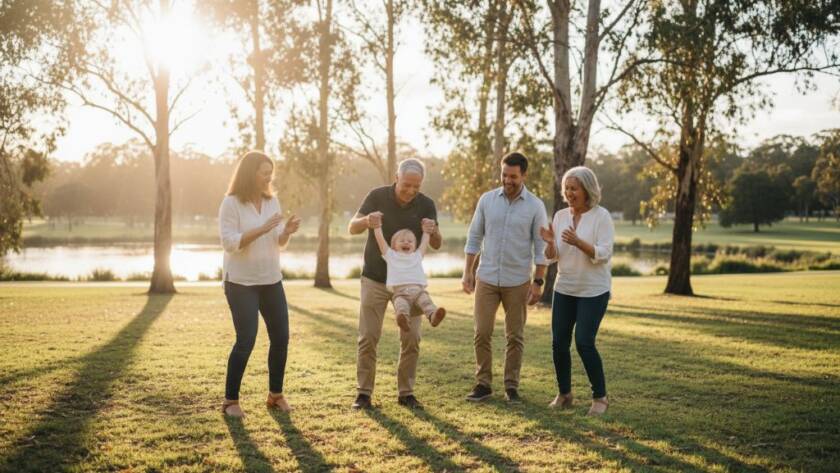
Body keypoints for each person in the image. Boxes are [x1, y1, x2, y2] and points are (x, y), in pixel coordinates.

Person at [347, 158, 442, 410]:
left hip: (408, 285)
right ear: (396, 178)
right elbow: (352, 227)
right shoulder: (377, 196)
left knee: (411, 338)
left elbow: (436, 243)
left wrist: (432, 230)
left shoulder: (426, 204)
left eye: (416, 186)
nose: (411, 191)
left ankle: (406, 393)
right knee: (368, 337)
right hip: (375, 279)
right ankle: (364, 394)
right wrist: (367, 221)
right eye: (406, 185)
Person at [218, 151, 301, 418]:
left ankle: (275, 395)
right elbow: (231, 243)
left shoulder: (271, 201)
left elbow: (278, 241)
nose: (269, 177)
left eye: (270, 172)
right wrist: (264, 228)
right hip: (241, 282)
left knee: (281, 338)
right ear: (250, 173)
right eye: (264, 172)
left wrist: (285, 232)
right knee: (246, 340)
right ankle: (231, 401)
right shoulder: (230, 204)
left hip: (271, 280)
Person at [462, 152, 548, 403]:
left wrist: (538, 281)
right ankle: (483, 384)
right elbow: (474, 237)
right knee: (482, 333)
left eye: (513, 176)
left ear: (524, 175)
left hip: (518, 281)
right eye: (504, 175)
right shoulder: (487, 201)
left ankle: (511, 386)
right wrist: (467, 272)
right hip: (486, 278)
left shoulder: (535, 206)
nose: (507, 180)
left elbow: (541, 247)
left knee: (515, 336)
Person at [539, 165, 614, 416]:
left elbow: (603, 253)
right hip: (565, 288)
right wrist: (550, 243)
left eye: (574, 188)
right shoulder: (561, 217)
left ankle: (600, 397)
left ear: (587, 189)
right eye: (567, 188)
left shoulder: (601, 216)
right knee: (559, 343)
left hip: (594, 291)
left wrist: (579, 242)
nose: (569, 193)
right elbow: (552, 257)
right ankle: (564, 394)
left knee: (584, 342)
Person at [373, 223, 446, 331]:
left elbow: (425, 243)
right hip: (400, 293)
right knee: (401, 307)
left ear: (415, 245)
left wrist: (426, 232)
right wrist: (377, 227)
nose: (406, 242)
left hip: (418, 291)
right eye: (402, 241)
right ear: (393, 245)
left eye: (410, 241)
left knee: (426, 303)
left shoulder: (417, 255)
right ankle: (404, 322)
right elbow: (381, 241)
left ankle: (433, 316)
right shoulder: (391, 255)